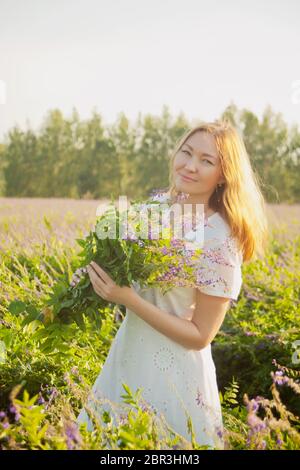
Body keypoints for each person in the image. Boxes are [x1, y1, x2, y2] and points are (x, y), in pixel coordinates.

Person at [76, 119, 269, 449]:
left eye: (206, 161)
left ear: (224, 174)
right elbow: (124, 274)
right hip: (126, 359)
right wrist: (92, 278)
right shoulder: (154, 210)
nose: (190, 166)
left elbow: (200, 335)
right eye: (187, 152)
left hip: (175, 378)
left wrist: (129, 300)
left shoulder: (219, 238)